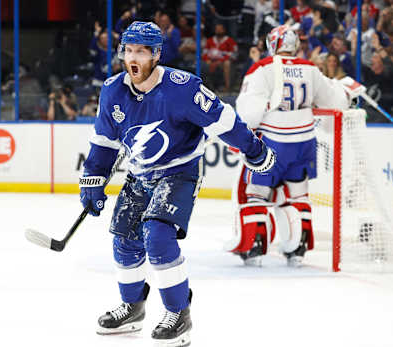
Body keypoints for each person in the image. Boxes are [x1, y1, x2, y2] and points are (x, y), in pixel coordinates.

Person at [79, 21, 275, 346]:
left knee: (157, 237)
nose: (133, 57)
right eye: (129, 50)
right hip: (139, 173)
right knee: (124, 239)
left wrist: (254, 151)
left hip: (179, 172)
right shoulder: (113, 90)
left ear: (156, 54)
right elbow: (103, 142)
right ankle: (132, 307)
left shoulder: (182, 88)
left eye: (141, 51)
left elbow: (223, 121)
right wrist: (92, 182)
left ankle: (178, 314)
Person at [227, 24, 352, 267]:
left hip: (272, 141)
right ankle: (299, 247)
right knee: (298, 194)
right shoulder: (310, 68)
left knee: (254, 193)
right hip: (305, 140)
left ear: (272, 44)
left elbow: (249, 114)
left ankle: (255, 244)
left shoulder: (262, 68)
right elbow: (334, 101)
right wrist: (347, 94)